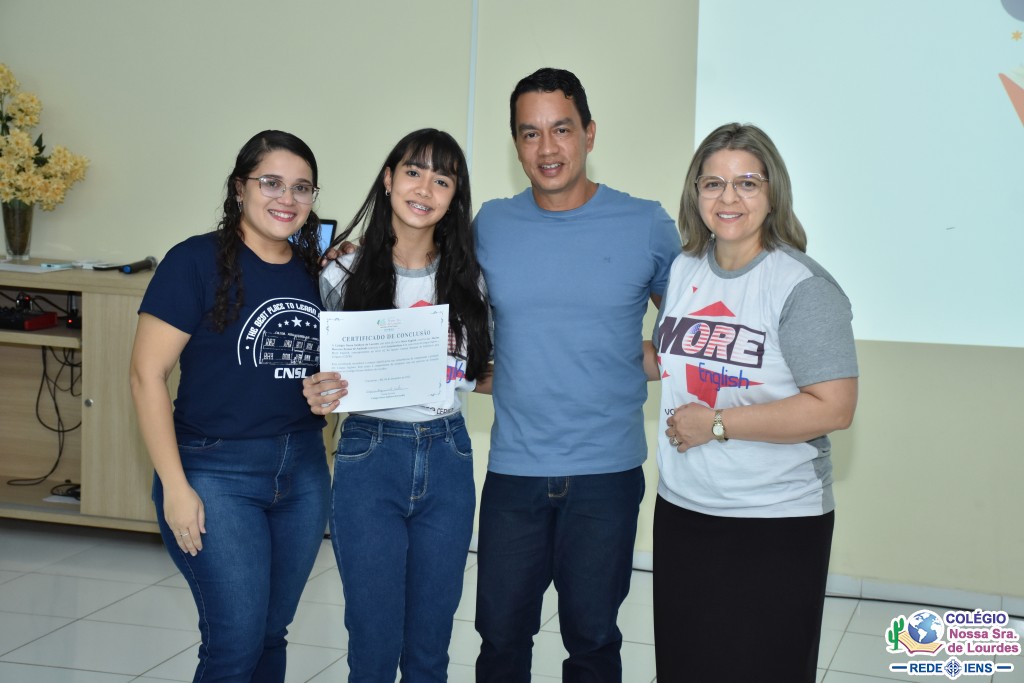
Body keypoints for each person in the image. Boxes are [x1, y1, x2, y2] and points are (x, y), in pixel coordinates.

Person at [472, 68, 681, 682]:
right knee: (500, 638)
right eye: (530, 133)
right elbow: (445, 317)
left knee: (592, 641)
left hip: (606, 474)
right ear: (516, 144)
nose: (547, 148)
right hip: (514, 471)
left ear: (589, 134)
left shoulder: (645, 223)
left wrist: (627, 360)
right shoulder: (490, 225)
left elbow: (691, 331)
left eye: (561, 129)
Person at [648, 122, 859, 682]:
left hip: (774, 522)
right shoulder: (684, 269)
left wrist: (716, 424)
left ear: (772, 192)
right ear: (695, 193)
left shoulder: (802, 286)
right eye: (713, 184)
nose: (729, 198)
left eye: (746, 183)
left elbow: (834, 407)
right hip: (683, 510)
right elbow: (672, 356)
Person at [129, 130, 330, 682]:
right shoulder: (193, 261)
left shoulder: (316, 271)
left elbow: (323, 373)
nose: (287, 198)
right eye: (271, 183)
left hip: (303, 471)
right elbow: (146, 376)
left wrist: (329, 393)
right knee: (235, 643)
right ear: (239, 188)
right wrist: (175, 488)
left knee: (270, 634)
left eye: (302, 187)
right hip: (214, 472)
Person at [303, 128, 492, 682]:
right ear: (388, 179)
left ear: (455, 197)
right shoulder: (340, 272)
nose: (424, 189)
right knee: (373, 642)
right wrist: (316, 391)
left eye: (442, 179)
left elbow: (481, 374)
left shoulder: (470, 278)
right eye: (413, 172)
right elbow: (312, 372)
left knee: (431, 646)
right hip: (369, 455)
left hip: (448, 454)